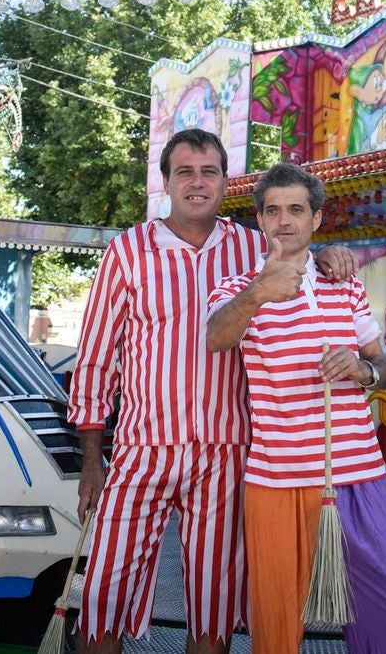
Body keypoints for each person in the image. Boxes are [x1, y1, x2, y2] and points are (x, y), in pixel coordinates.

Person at [69, 129, 354, 654]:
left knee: (213, 613)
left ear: (226, 182)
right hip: (141, 451)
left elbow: (306, 256)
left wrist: (333, 253)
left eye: (209, 172)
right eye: (185, 172)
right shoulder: (127, 252)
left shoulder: (254, 246)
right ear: (166, 182)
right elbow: (96, 357)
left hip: (227, 455)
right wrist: (92, 457)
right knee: (101, 602)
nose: (197, 183)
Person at [206, 163, 386, 654]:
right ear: (260, 221)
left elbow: (384, 368)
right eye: (273, 211)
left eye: (296, 210)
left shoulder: (342, 282)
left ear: (316, 219)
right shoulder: (237, 289)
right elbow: (214, 337)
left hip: (358, 476)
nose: (285, 221)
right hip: (278, 480)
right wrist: (260, 292)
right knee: (277, 625)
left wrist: (361, 370)